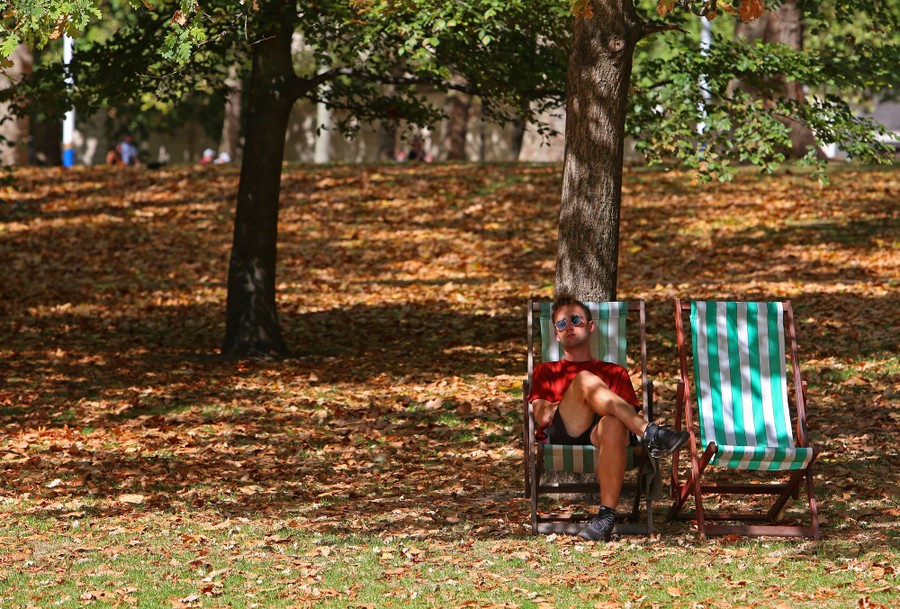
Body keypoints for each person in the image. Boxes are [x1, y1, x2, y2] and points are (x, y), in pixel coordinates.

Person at [528, 294, 690, 542]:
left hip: (601, 435)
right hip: (564, 431)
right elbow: (542, 416)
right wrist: (581, 397)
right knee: (584, 379)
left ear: (591, 326)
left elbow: (625, 420)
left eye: (575, 319)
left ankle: (605, 517)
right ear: (556, 335)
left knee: (614, 423)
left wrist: (598, 405)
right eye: (561, 324)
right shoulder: (546, 371)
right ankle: (652, 433)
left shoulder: (615, 372)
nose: (569, 326)